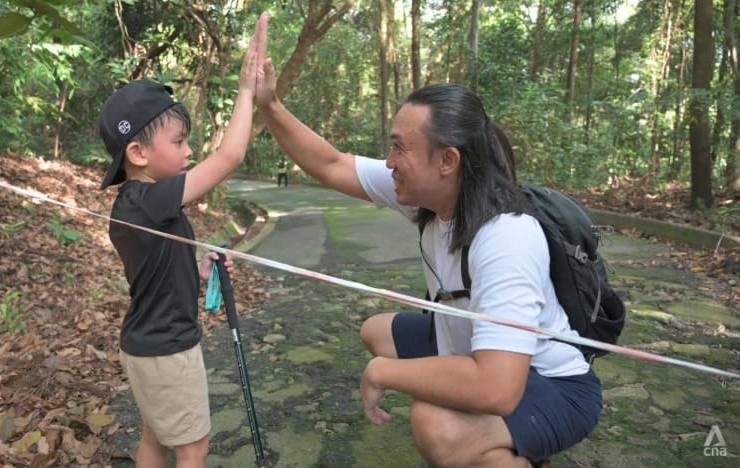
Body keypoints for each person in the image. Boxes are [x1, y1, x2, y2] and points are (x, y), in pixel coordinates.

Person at [252, 35, 601, 467]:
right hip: (477, 350)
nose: (390, 160)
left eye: (399, 146)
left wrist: (383, 372)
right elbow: (332, 164)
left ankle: (511, 451)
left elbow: (497, 388)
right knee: (377, 332)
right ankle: (501, 433)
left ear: (447, 161)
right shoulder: (429, 193)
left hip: (554, 383)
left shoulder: (506, 236)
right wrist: (269, 106)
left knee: (436, 424)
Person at [97, 12, 266, 467]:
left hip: (148, 345)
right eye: (179, 141)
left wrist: (200, 269)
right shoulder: (146, 200)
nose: (190, 150)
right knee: (193, 448)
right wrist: (246, 89)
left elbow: (159, 270)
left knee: (157, 437)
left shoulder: (141, 204)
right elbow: (230, 155)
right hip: (168, 350)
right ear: (137, 153)